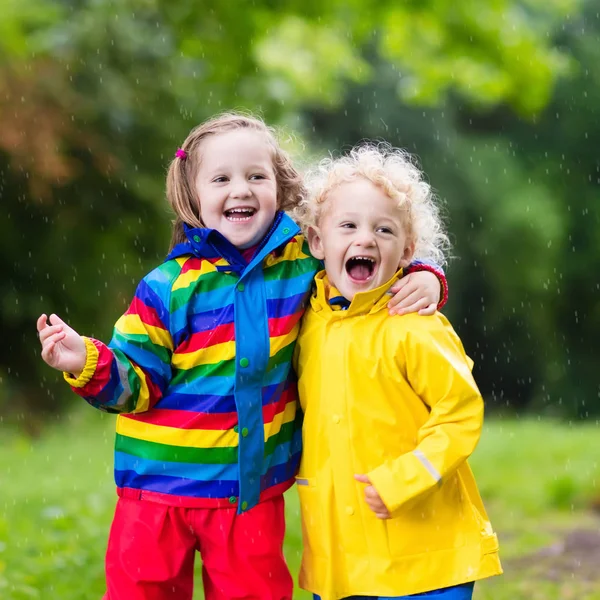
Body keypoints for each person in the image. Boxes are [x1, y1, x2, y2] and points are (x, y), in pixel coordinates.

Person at [36, 113, 446, 600]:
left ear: (279, 184)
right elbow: (135, 384)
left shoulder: (303, 262)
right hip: (156, 494)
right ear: (194, 195)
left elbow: (362, 252)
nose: (241, 190)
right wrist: (83, 361)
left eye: (256, 176)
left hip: (249, 495)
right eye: (222, 179)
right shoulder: (168, 287)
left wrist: (423, 273)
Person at [293, 143, 502, 600]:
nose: (365, 239)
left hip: (426, 557)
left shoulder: (415, 325)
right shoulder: (303, 323)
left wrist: (405, 478)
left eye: (383, 230)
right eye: (348, 225)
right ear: (316, 241)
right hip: (341, 557)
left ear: (407, 250)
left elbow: (460, 412)